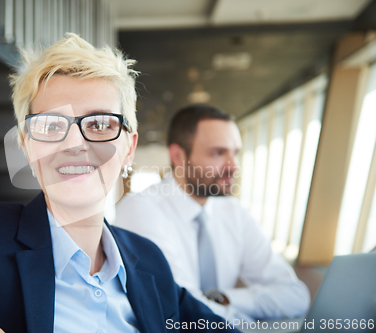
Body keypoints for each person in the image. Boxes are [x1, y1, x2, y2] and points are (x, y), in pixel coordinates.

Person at [0, 35, 240, 332]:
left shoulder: (149, 263)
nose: (75, 144)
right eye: (50, 127)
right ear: (26, 147)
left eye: (99, 124)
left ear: (128, 148)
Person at [115, 105, 310, 321]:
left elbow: (295, 296)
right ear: (179, 157)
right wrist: (246, 320)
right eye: (218, 153)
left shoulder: (234, 212)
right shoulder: (141, 210)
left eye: (235, 153)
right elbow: (185, 309)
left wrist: (223, 298)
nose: (233, 166)